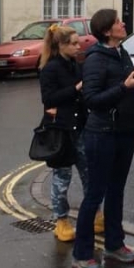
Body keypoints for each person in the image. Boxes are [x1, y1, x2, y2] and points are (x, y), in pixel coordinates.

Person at [72, 9, 134, 268]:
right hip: (101, 134)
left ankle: (114, 244)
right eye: (118, 22)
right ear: (107, 30)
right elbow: (91, 99)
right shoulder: (95, 60)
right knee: (94, 195)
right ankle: (82, 253)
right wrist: (124, 87)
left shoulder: (120, 52)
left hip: (124, 131)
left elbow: (130, 86)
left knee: (117, 190)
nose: (123, 24)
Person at [38, 24, 101, 242]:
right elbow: (48, 99)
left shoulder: (75, 64)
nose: (78, 46)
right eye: (73, 43)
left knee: (90, 174)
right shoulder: (50, 69)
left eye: (78, 42)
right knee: (61, 179)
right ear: (61, 45)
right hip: (61, 132)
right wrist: (75, 89)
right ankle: (61, 221)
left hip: (81, 127)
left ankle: (95, 214)